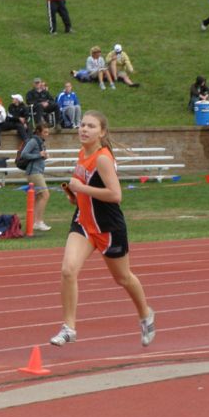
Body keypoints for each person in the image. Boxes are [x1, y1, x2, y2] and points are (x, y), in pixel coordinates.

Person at [50, 110, 155, 348]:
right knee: (68, 270)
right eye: (82, 125)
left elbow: (116, 196)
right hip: (84, 223)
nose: (84, 129)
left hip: (108, 227)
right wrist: (75, 196)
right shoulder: (82, 153)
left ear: (102, 132)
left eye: (91, 126)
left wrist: (83, 189)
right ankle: (69, 328)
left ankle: (146, 314)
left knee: (123, 278)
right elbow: (84, 189)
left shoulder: (102, 158)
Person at [19, 123, 51, 232]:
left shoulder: (40, 142)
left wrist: (44, 157)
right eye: (45, 132)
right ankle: (38, 222)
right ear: (38, 132)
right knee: (45, 195)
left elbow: (38, 157)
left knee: (39, 197)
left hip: (38, 172)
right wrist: (39, 155)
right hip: (34, 173)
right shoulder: (33, 141)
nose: (47, 134)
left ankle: (34, 222)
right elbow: (24, 154)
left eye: (48, 132)